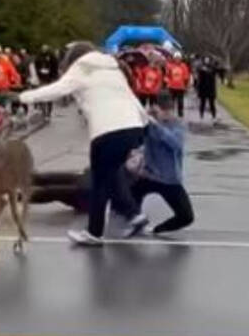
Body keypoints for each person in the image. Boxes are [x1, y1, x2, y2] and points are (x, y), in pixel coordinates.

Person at [19, 41, 150, 246]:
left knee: (99, 181)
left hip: (107, 130)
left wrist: (25, 97)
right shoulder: (113, 69)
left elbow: (58, 89)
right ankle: (134, 214)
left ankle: (94, 233)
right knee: (112, 172)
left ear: (73, 59)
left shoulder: (82, 68)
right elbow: (131, 98)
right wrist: (144, 125)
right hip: (132, 127)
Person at [129, 90, 194, 234]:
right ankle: (132, 223)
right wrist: (144, 120)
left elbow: (175, 144)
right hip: (148, 175)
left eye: (169, 110)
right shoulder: (148, 124)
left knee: (186, 217)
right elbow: (135, 139)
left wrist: (157, 126)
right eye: (163, 110)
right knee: (127, 200)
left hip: (169, 179)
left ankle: (157, 230)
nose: (166, 113)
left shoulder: (178, 124)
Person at [34, 44, 59, 118]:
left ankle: (49, 112)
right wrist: (39, 72)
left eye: (45, 49)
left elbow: (55, 67)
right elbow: (36, 66)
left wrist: (54, 76)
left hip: (50, 78)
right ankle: (43, 112)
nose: (44, 50)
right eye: (43, 49)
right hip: (41, 78)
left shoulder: (52, 56)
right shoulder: (38, 57)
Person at [165, 52, 191, 117]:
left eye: (178, 58)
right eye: (176, 58)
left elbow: (186, 76)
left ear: (180, 59)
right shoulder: (171, 66)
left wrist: (186, 85)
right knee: (171, 101)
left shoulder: (183, 66)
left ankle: (180, 113)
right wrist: (167, 81)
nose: (177, 59)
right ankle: (171, 113)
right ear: (174, 59)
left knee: (180, 101)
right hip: (172, 86)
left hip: (180, 87)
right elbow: (167, 75)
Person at [196, 55, 218, 122]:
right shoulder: (201, 68)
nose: (207, 61)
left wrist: (208, 70)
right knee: (202, 103)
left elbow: (215, 71)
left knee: (212, 103)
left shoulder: (213, 68)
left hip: (211, 88)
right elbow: (199, 72)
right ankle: (201, 116)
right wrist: (202, 69)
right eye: (205, 59)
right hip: (203, 88)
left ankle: (214, 116)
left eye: (208, 60)